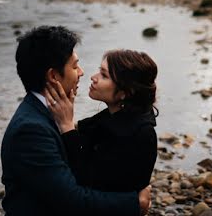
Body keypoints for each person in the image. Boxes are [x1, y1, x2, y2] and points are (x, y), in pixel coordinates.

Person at [0, 26, 151, 216]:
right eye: (74, 66)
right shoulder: (30, 130)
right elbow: (71, 201)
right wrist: (135, 203)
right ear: (53, 76)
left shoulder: (52, 112)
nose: (81, 72)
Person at [46, 49, 158, 192]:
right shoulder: (113, 116)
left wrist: (67, 126)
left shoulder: (139, 134)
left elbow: (86, 180)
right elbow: (82, 134)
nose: (93, 77)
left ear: (125, 92)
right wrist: (65, 112)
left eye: (104, 75)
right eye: (99, 71)